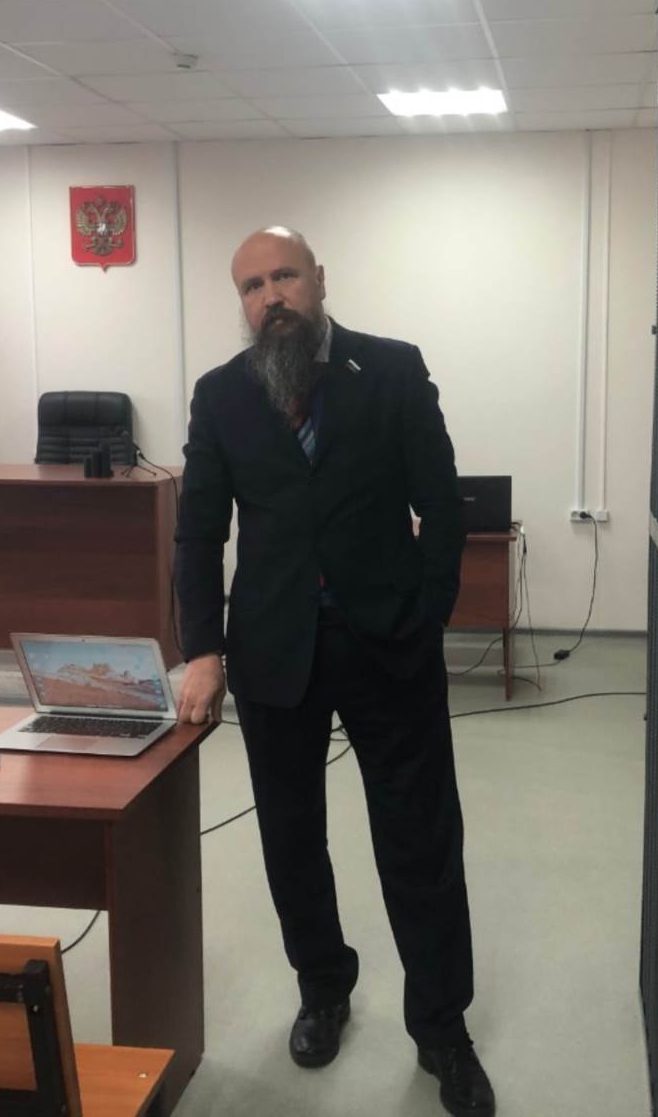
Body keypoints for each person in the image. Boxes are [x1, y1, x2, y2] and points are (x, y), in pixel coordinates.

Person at [174, 227, 496, 1117]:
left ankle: (442, 1028)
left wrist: (428, 613)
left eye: (283, 277)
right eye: (251, 286)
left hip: (388, 642)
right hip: (274, 651)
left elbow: (441, 501)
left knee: (420, 840)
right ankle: (322, 987)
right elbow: (198, 533)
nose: (269, 297)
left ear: (318, 280)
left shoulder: (390, 370)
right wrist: (203, 648)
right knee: (290, 837)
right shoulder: (220, 396)